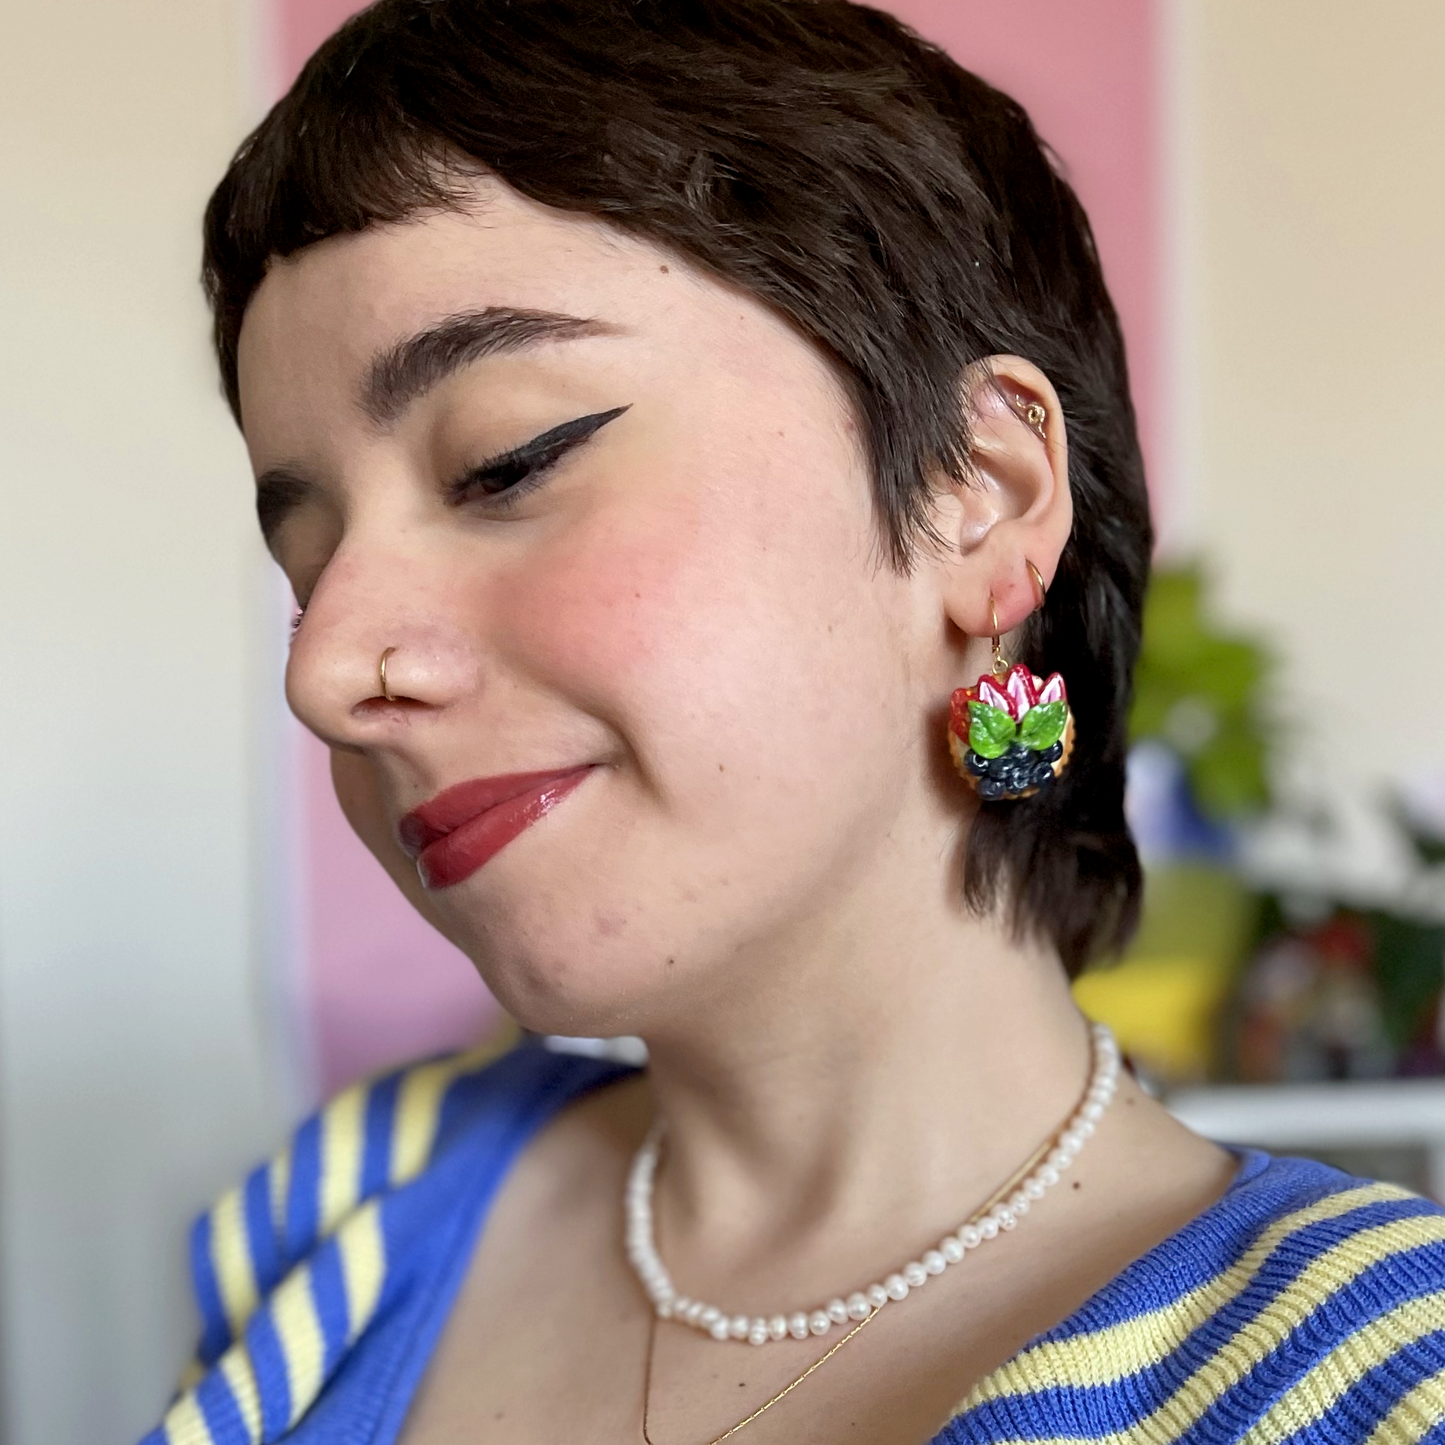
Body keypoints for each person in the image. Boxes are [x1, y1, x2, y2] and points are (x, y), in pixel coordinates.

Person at [142, 2, 1445, 1442]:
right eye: (308, 563)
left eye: (507, 463)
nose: (327, 668)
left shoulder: (1376, 1382)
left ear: (978, 493)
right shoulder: (347, 1214)